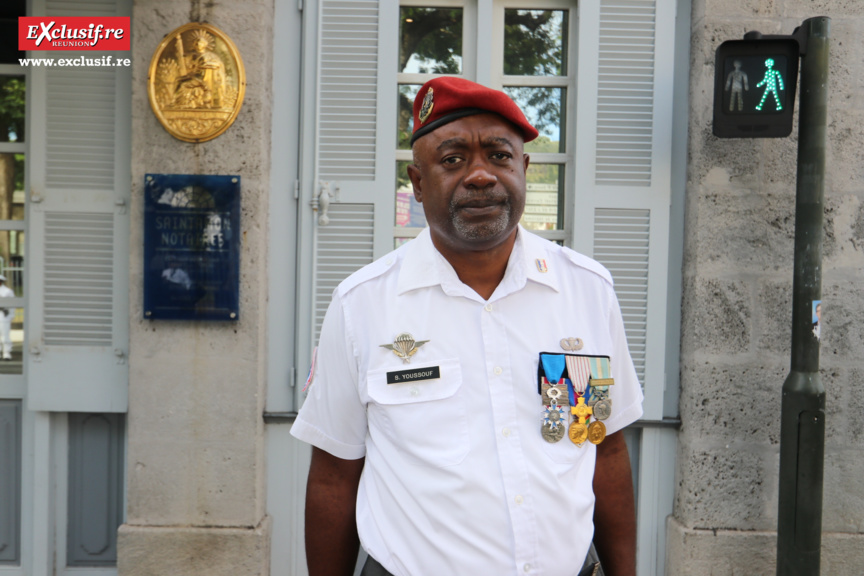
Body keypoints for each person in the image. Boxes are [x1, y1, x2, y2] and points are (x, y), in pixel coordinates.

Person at [291, 77, 643, 576]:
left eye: (499, 156)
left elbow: (604, 449)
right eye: (452, 160)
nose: (480, 176)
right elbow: (333, 476)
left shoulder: (587, 290)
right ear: (416, 183)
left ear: (523, 168)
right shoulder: (362, 305)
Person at [0, 274, 14, 360]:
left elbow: (12, 305)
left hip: (3, 316)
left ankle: (6, 353)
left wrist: (10, 316)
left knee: (5, 335)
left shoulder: (7, 291)